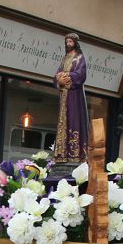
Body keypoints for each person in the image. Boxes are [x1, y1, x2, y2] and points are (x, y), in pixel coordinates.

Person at [53, 33, 88, 165]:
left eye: (70, 42)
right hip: (64, 97)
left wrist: (66, 76)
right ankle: (62, 153)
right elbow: (56, 76)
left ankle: (75, 154)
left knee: (74, 121)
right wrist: (59, 79)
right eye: (66, 42)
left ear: (75, 43)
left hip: (74, 96)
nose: (68, 44)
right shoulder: (64, 59)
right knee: (63, 122)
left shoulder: (79, 58)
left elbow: (80, 75)